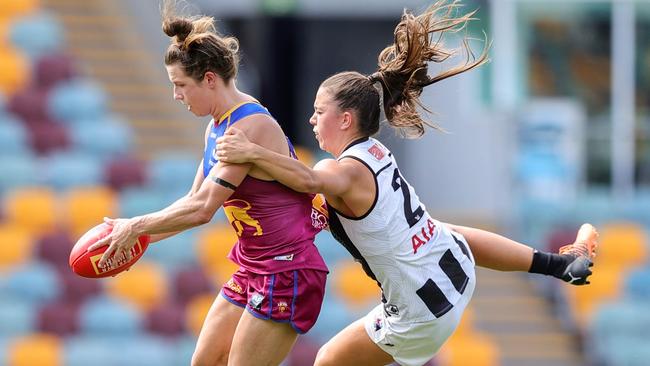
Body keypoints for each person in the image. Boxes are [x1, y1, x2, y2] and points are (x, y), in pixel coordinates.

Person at [214, 2, 599, 365]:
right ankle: (558, 264)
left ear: (346, 119)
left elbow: (307, 178)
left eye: (318, 112)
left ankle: (557, 264)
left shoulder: (343, 171)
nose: (312, 121)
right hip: (453, 271)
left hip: (422, 308)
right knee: (442, 231)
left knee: (329, 360)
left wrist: (253, 152)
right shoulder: (374, 151)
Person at [87, 1, 330, 365]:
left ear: (210, 79)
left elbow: (203, 211)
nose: (176, 95)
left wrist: (136, 225)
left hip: (288, 268)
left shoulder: (248, 127)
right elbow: (192, 198)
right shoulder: (216, 126)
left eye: (181, 85)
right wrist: (135, 239)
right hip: (254, 266)